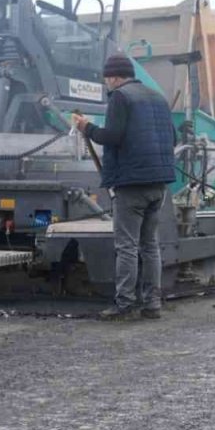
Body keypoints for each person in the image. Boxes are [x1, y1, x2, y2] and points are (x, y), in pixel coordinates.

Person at [73, 55, 176, 321]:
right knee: (150, 245)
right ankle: (152, 303)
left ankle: (124, 304)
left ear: (114, 77)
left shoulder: (120, 97)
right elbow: (173, 137)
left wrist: (87, 127)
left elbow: (113, 137)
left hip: (131, 184)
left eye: (107, 79)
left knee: (127, 246)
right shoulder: (157, 97)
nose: (107, 84)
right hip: (159, 183)